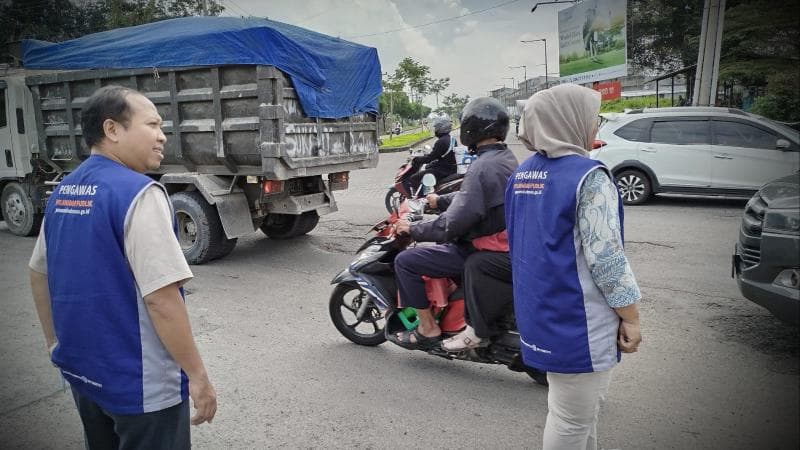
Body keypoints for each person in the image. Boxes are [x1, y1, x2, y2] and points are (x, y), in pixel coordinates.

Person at [28, 85, 217, 449]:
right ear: (112, 130)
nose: (162, 136)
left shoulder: (64, 190)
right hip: (141, 387)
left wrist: (54, 343)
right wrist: (197, 375)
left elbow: (38, 272)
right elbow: (162, 299)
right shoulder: (139, 194)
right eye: (153, 125)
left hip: (84, 375)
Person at [506, 84, 642, 450]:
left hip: (540, 310)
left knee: (581, 414)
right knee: (570, 419)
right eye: (592, 117)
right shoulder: (588, 177)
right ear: (570, 121)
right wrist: (630, 316)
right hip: (579, 319)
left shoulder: (523, 174)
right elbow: (608, 260)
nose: (595, 125)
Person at [392, 97, 518, 349]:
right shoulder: (505, 158)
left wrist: (413, 228)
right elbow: (471, 196)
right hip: (502, 240)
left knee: (405, 261)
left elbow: (451, 224)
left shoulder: (482, 166)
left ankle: (427, 329)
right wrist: (438, 200)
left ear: (471, 129)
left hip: (479, 245)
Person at [406, 116, 458, 194]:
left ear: (441, 128)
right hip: (450, 168)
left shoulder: (441, 142)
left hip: (443, 170)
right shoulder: (452, 139)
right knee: (427, 168)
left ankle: (420, 199)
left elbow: (430, 158)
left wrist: (416, 159)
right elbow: (441, 156)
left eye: (436, 127)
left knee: (414, 178)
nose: (435, 129)